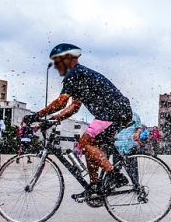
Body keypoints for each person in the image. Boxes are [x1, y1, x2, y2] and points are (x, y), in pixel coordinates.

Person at [23, 43, 133, 200]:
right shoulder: (80, 75)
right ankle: (95, 187)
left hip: (113, 113)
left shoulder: (74, 74)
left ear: (67, 59)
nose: (55, 66)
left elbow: (61, 103)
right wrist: (52, 120)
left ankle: (116, 176)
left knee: (85, 143)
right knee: (90, 146)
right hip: (116, 111)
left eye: (57, 61)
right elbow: (73, 107)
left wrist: (36, 116)